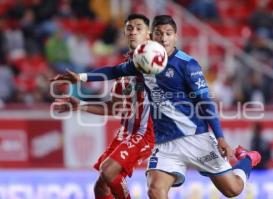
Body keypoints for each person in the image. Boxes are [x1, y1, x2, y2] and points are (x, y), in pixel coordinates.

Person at [52, 15, 261, 198]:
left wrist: (221, 137)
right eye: (160, 33)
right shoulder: (142, 62)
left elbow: (205, 103)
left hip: (195, 137)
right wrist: (80, 77)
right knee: (154, 191)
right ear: (153, 36)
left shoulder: (188, 64)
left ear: (175, 36)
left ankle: (247, 158)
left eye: (168, 33)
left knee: (233, 190)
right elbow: (114, 72)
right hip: (166, 144)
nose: (164, 38)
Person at [53, 13, 154, 199]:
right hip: (126, 133)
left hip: (146, 134)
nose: (133, 32)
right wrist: (80, 105)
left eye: (139, 28)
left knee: (109, 172)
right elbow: (114, 108)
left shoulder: (155, 63)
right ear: (124, 33)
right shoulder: (123, 71)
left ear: (148, 34)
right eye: (129, 28)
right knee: (100, 188)